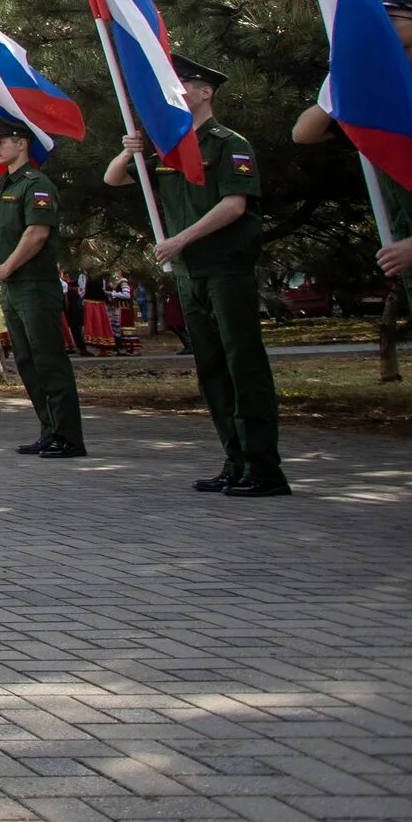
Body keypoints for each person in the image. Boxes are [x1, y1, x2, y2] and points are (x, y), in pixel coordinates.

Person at [296, 0, 412, 536]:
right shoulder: (374, 90)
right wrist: (344, 73)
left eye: (389, 20)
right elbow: (305, 133)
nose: (377, 29)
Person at [130, 54, 276, 499]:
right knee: (212, 370)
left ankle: (264, 469)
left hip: (225, 267)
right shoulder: (171, 147)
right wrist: (130, 148)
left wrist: (179, 241)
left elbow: (234, 205)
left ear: (206, 92)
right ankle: (234, 461)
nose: (175, 92)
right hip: (193, 274)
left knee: (242, 366)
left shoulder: (228, 143)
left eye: (184, 85)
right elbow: (116, 176)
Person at [0, 115, 85, 458]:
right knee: (27, 361)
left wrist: (7, 266)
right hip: (12, 287)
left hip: (34, 284)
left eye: (1, 142)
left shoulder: (35, 184)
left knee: (48, 360)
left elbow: (37, 233)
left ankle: (68, 436)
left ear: (22, 143)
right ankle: (49, 429)